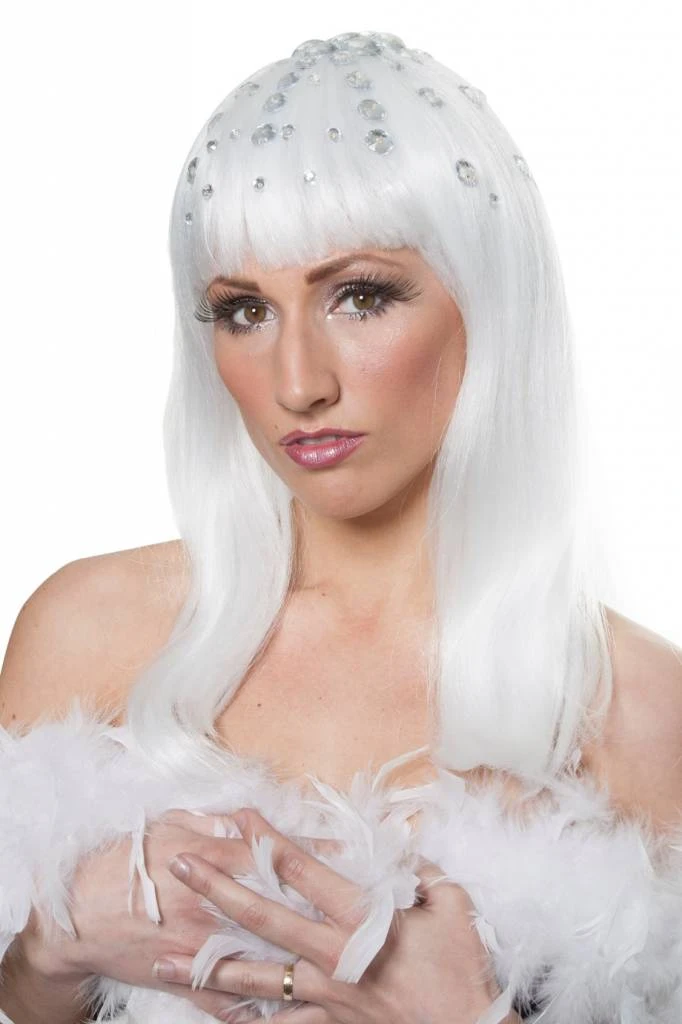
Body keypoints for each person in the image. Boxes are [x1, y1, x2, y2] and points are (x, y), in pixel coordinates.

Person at [1, 28, 681, 1024]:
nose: (297, 383)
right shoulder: (87, 633)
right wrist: (52, 951)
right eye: (244, 310)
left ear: (489, 303)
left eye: (359, 296)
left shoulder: (641, 714)